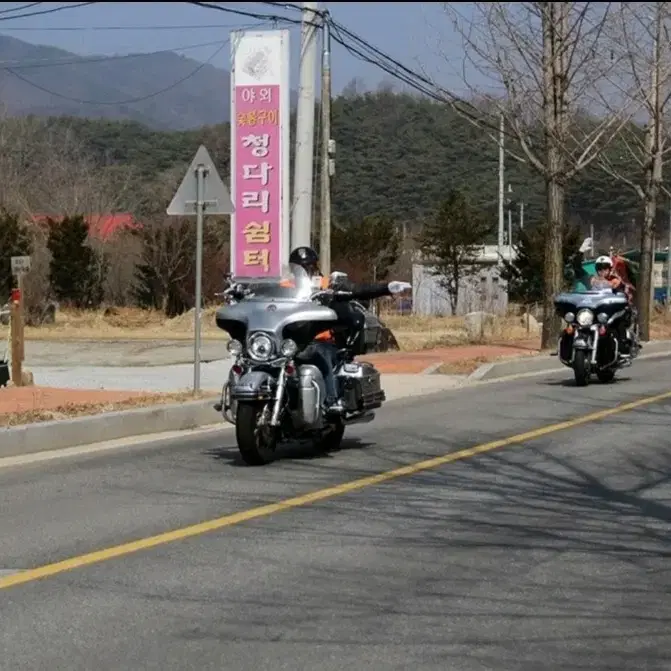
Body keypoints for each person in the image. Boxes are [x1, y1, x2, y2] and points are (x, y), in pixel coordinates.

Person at [286, 246, 411, 414]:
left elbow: (356, 290)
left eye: (308, 266)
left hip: (320, 340)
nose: (304, 271)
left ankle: (331, 401)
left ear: (315, 267)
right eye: (298, 267)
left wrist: (386, 288)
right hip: (288, 342)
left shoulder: (326, 284)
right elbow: (261, 297)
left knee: (319, 355)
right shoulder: (284, 287)